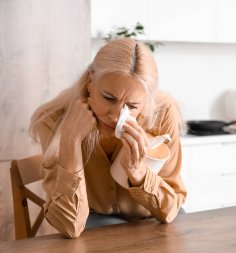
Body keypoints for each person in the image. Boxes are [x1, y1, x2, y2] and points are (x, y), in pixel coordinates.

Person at [29, 38, 187, 238]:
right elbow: (69, 225)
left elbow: (171, 208)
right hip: (94, 221)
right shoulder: (54, 119)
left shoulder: (162, 113)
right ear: (90, 82)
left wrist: (138, 172)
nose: (116, 116)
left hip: (153, 221)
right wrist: (71, 140)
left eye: (132, 106)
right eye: (109, 98)